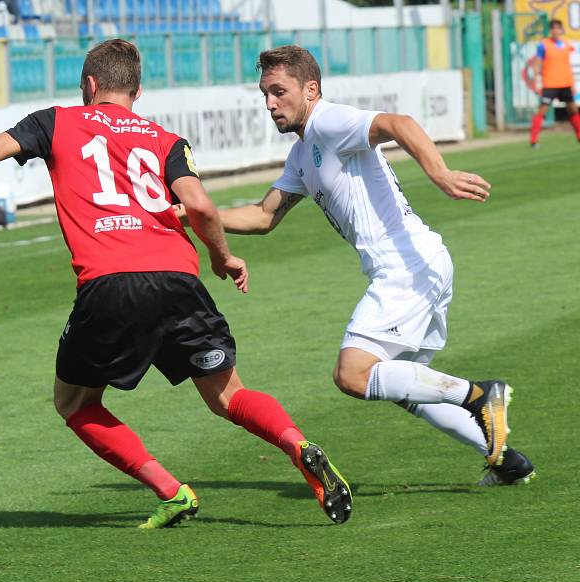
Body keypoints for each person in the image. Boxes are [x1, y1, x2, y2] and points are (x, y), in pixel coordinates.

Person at [0, 39, 354, 528]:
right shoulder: (166, 139)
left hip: (111, 283)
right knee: (227, 395)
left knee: (74, 402)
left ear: (89, 85)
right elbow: (200, 206)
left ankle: (172, 492)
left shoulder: (55, 121)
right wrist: (223, 257)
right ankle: (297, 443)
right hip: (178, 279)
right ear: (138, 90)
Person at [194, 45, 534, 486]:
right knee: (406, 387)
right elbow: (262, 216)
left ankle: (479, 395)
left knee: (353, 375)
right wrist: (197, 214)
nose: (270, 103)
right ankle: (506, 460)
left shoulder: (329, 121)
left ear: (310, 89)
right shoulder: (302, 154)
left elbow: (398, 124)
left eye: (279, 91)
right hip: (420, 262)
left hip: (404, 266)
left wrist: (440, 173)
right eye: (264, 93)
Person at [530, 19, 580, 148]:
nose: (556, 31)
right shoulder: (544, 45)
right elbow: (537, 63)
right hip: (550, 83)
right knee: (542, 110)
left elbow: (567, 65)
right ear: (550, 30)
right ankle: (534, 140)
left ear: (561, 30)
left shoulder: (566, 45)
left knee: (573, 110)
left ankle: (579, 136)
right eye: (553, 28)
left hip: (565, 83)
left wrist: (573, 84)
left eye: (558, 28)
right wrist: (536, 81)